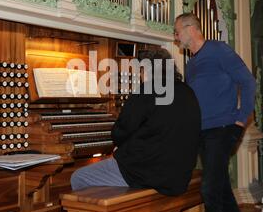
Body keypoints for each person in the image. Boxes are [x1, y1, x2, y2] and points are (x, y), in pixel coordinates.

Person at [71, 48, 202, 196]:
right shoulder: (187, 91)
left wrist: (121, 147)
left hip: (148, 174)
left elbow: (120, 133)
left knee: (79, 177)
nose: (139, 76)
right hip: (178, 175)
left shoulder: (147, 89)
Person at [173, 13, 257, 212]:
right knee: (222, 191)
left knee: (209, 190)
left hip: (221, 130)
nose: (175, 36)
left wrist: (240, 121)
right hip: (202, 133)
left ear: (191, 28)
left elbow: (248, 82)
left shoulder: (218, 50)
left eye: (177, 31)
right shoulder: (191, 65)